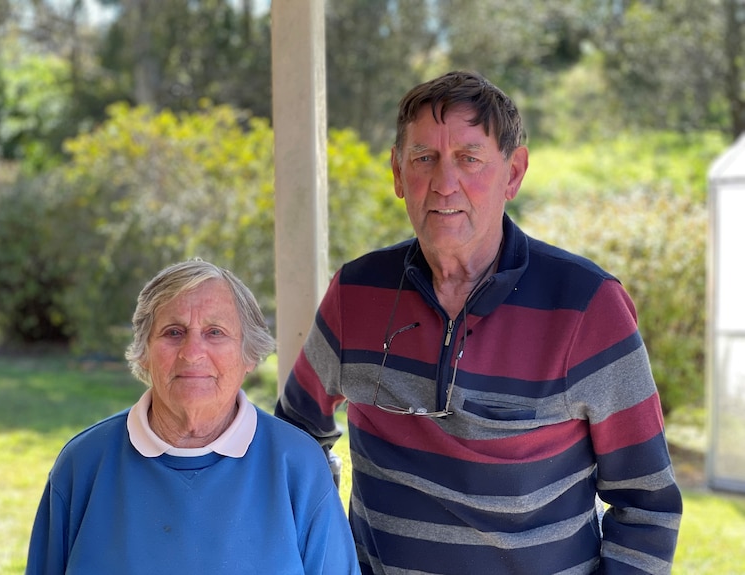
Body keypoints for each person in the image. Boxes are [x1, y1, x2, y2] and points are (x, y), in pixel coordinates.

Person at [275, 71, 682, 574]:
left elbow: (646, 504)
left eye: (469, 159)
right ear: (399, 174)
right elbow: (293, 445)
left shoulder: (587, 306)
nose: (445, 184)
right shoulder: (356, 292)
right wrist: (328, 556)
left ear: (513, 173)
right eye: (424, 158)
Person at [26, 260, 361, 575]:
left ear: (249, 355)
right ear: (144, 352)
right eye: (173, 332)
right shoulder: (83, 463)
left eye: (215, 332)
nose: (192, 352)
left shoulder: (297, 465)